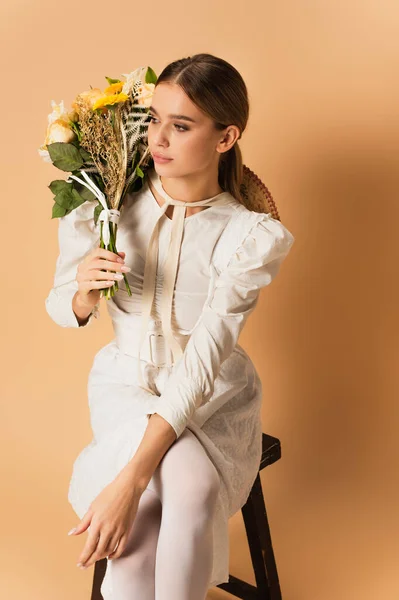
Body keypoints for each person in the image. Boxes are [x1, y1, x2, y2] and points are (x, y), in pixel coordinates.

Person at [45, 53, 295, 600]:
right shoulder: (108, 205)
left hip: (211, 395)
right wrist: (84, 292)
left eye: (180, 126)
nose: (158, 138)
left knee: (177, 489)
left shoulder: (248, 235)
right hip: (125, 386)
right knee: (189, 483)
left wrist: (129, 483)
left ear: (225, 137)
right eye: (154, 118)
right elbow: (60, 306)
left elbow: (206, 356)